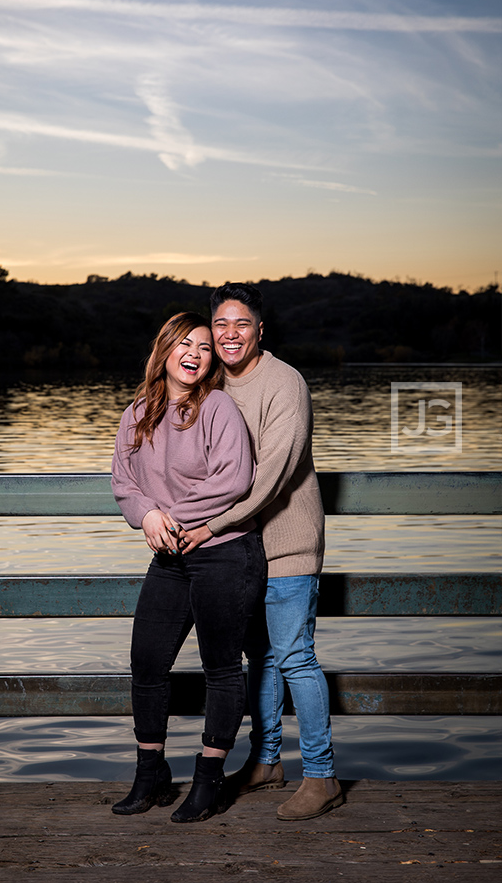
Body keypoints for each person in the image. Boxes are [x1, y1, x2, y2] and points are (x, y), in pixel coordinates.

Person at [178, 283, 343, 821]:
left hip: (287, 543)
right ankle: (267, 760)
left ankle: (322, 775)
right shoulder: (209, 383)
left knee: (294, 656)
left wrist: (208, 524)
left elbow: (270, 476)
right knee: (260, 659)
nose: (229, 335)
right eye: (220, 325)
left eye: (241, 324)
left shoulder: (284, 383)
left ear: (259, 330)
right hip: (237, 549)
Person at [110, 311, 266, 823]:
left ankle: (209, 777)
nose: (196, 353)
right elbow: (124, 484)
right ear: (166, 350)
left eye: (204, 346)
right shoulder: (137, 413)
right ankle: (151, 773)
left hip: (224, 552)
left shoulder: (218, 407)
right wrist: (147, 515)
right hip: (169, 555)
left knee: (221, 668)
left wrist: (170, 514)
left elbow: (234, 478)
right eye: (186, 344)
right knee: (148, 664)